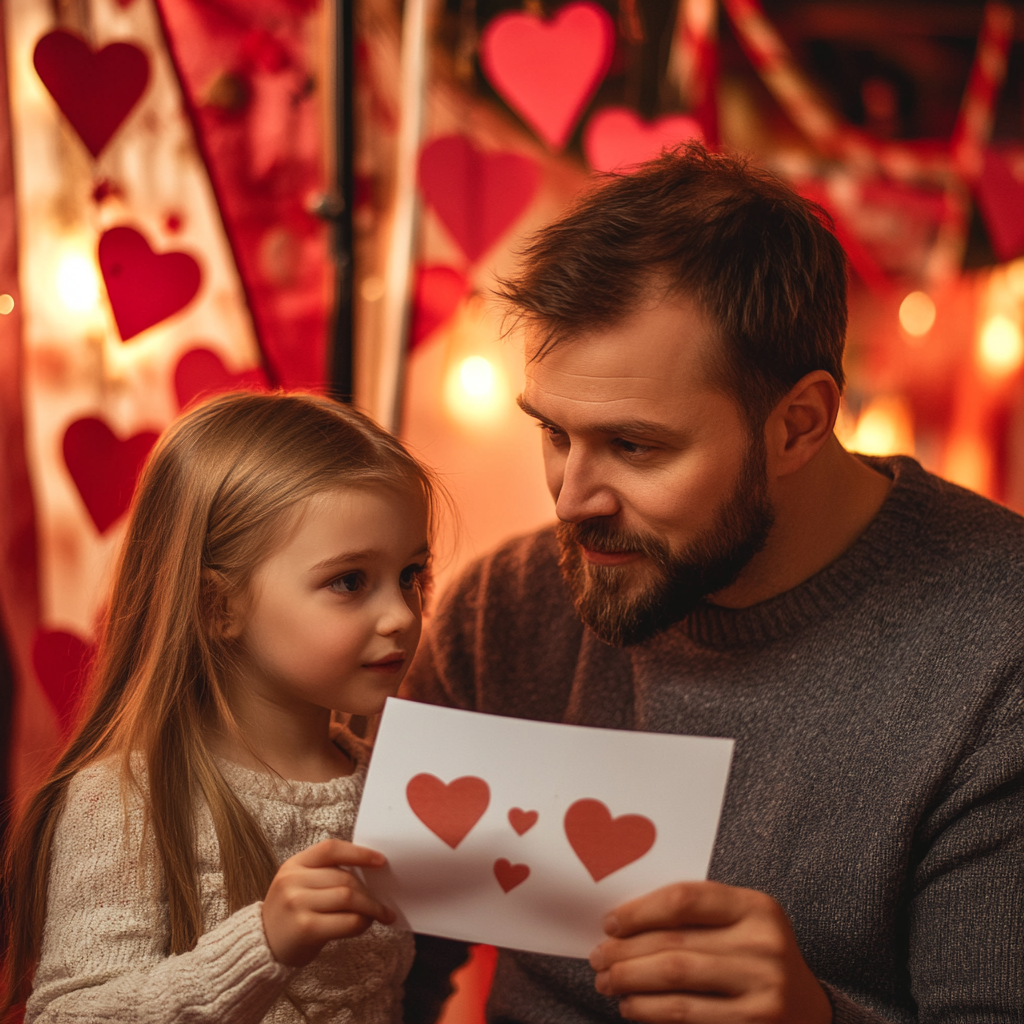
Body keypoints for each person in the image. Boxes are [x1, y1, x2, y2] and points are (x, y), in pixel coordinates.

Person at [402, 144, 1024, 1024]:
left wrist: (815, 1019)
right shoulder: (504, 611)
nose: (571, 501)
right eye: (554, 433)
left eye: (635, 447)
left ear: (798, 425)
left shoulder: (999, 652)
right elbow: (383, 975)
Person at [1, 392, 445, 1024]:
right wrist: (260, 945)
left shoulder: (393, 788)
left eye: (412, 574)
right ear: (218, 606)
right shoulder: (127, 799)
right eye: (349, 581)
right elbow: (70, 1015)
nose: (402, 614)